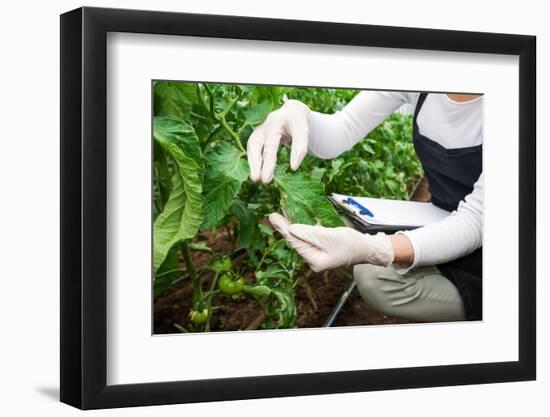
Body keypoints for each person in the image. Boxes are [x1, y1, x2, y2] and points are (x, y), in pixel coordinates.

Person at [247, 91, 483, 321]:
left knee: (375, 277)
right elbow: (343, 128)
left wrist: (379, 248)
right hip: (440, 214)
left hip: (500, 239)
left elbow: (476, 220)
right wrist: (299, 117)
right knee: (345, 230)